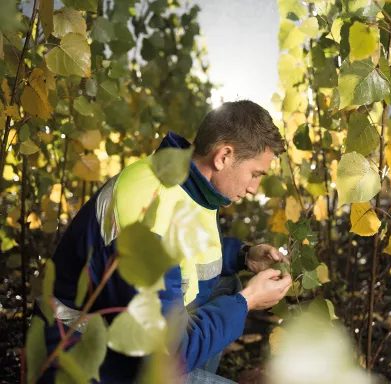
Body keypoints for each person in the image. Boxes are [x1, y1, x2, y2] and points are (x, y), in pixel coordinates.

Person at [36, 100, 293, 383]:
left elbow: (188, 250)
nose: (254, 187)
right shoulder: (146, 211)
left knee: (226, 284)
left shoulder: (185, 181)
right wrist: (249, 300)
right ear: (224, 156)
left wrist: (244, 256)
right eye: (255, 174)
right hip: (85, 361)